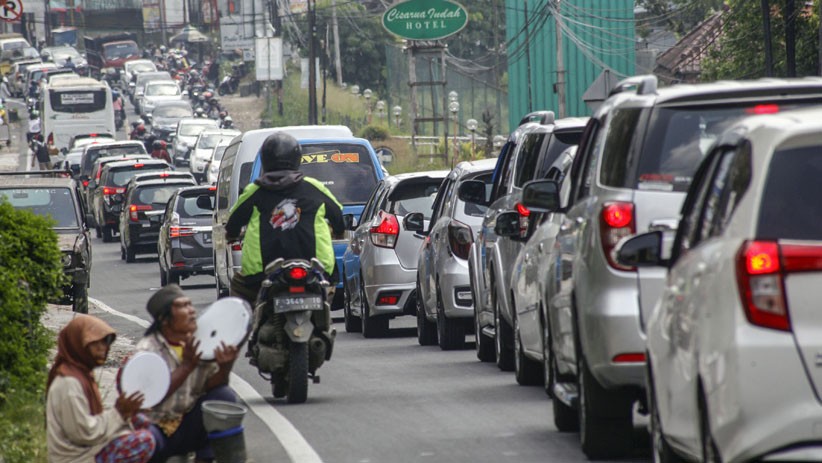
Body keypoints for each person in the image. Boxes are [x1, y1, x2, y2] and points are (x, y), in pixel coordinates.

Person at [225, 133, 344, 350]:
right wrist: (338, 231)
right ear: (297, 158)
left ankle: (241, 342)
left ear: (266, 160)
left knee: (238, 288)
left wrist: (231, 235)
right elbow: (338, 215)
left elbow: (232, 224)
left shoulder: (254, 191)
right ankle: (324, 323)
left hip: (262, 273)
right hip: (316, 268)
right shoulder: (314, 187)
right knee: (331, 282)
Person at [136, 284, 239, 463]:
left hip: (187, 425)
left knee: (224, 396)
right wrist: (186, 367)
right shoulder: (147, 351)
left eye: (190, 305)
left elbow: (211, 387)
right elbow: (148, 398)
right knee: (144, 440)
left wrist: (225, 367)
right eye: (183, 306)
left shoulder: (201, 344)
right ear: (164, 319)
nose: (192, 311)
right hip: (158, 426)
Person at [46, 314, 155, 463]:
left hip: (88, 447)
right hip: (76, 457)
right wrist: (118, 412)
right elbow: (85, 433)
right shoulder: (69, 384)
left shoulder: (81, 373)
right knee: (145, 441)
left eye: (106, 342)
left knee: (141, 421)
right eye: (94, 343)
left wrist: (128, 411)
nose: (103, 348)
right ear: (77, 344)